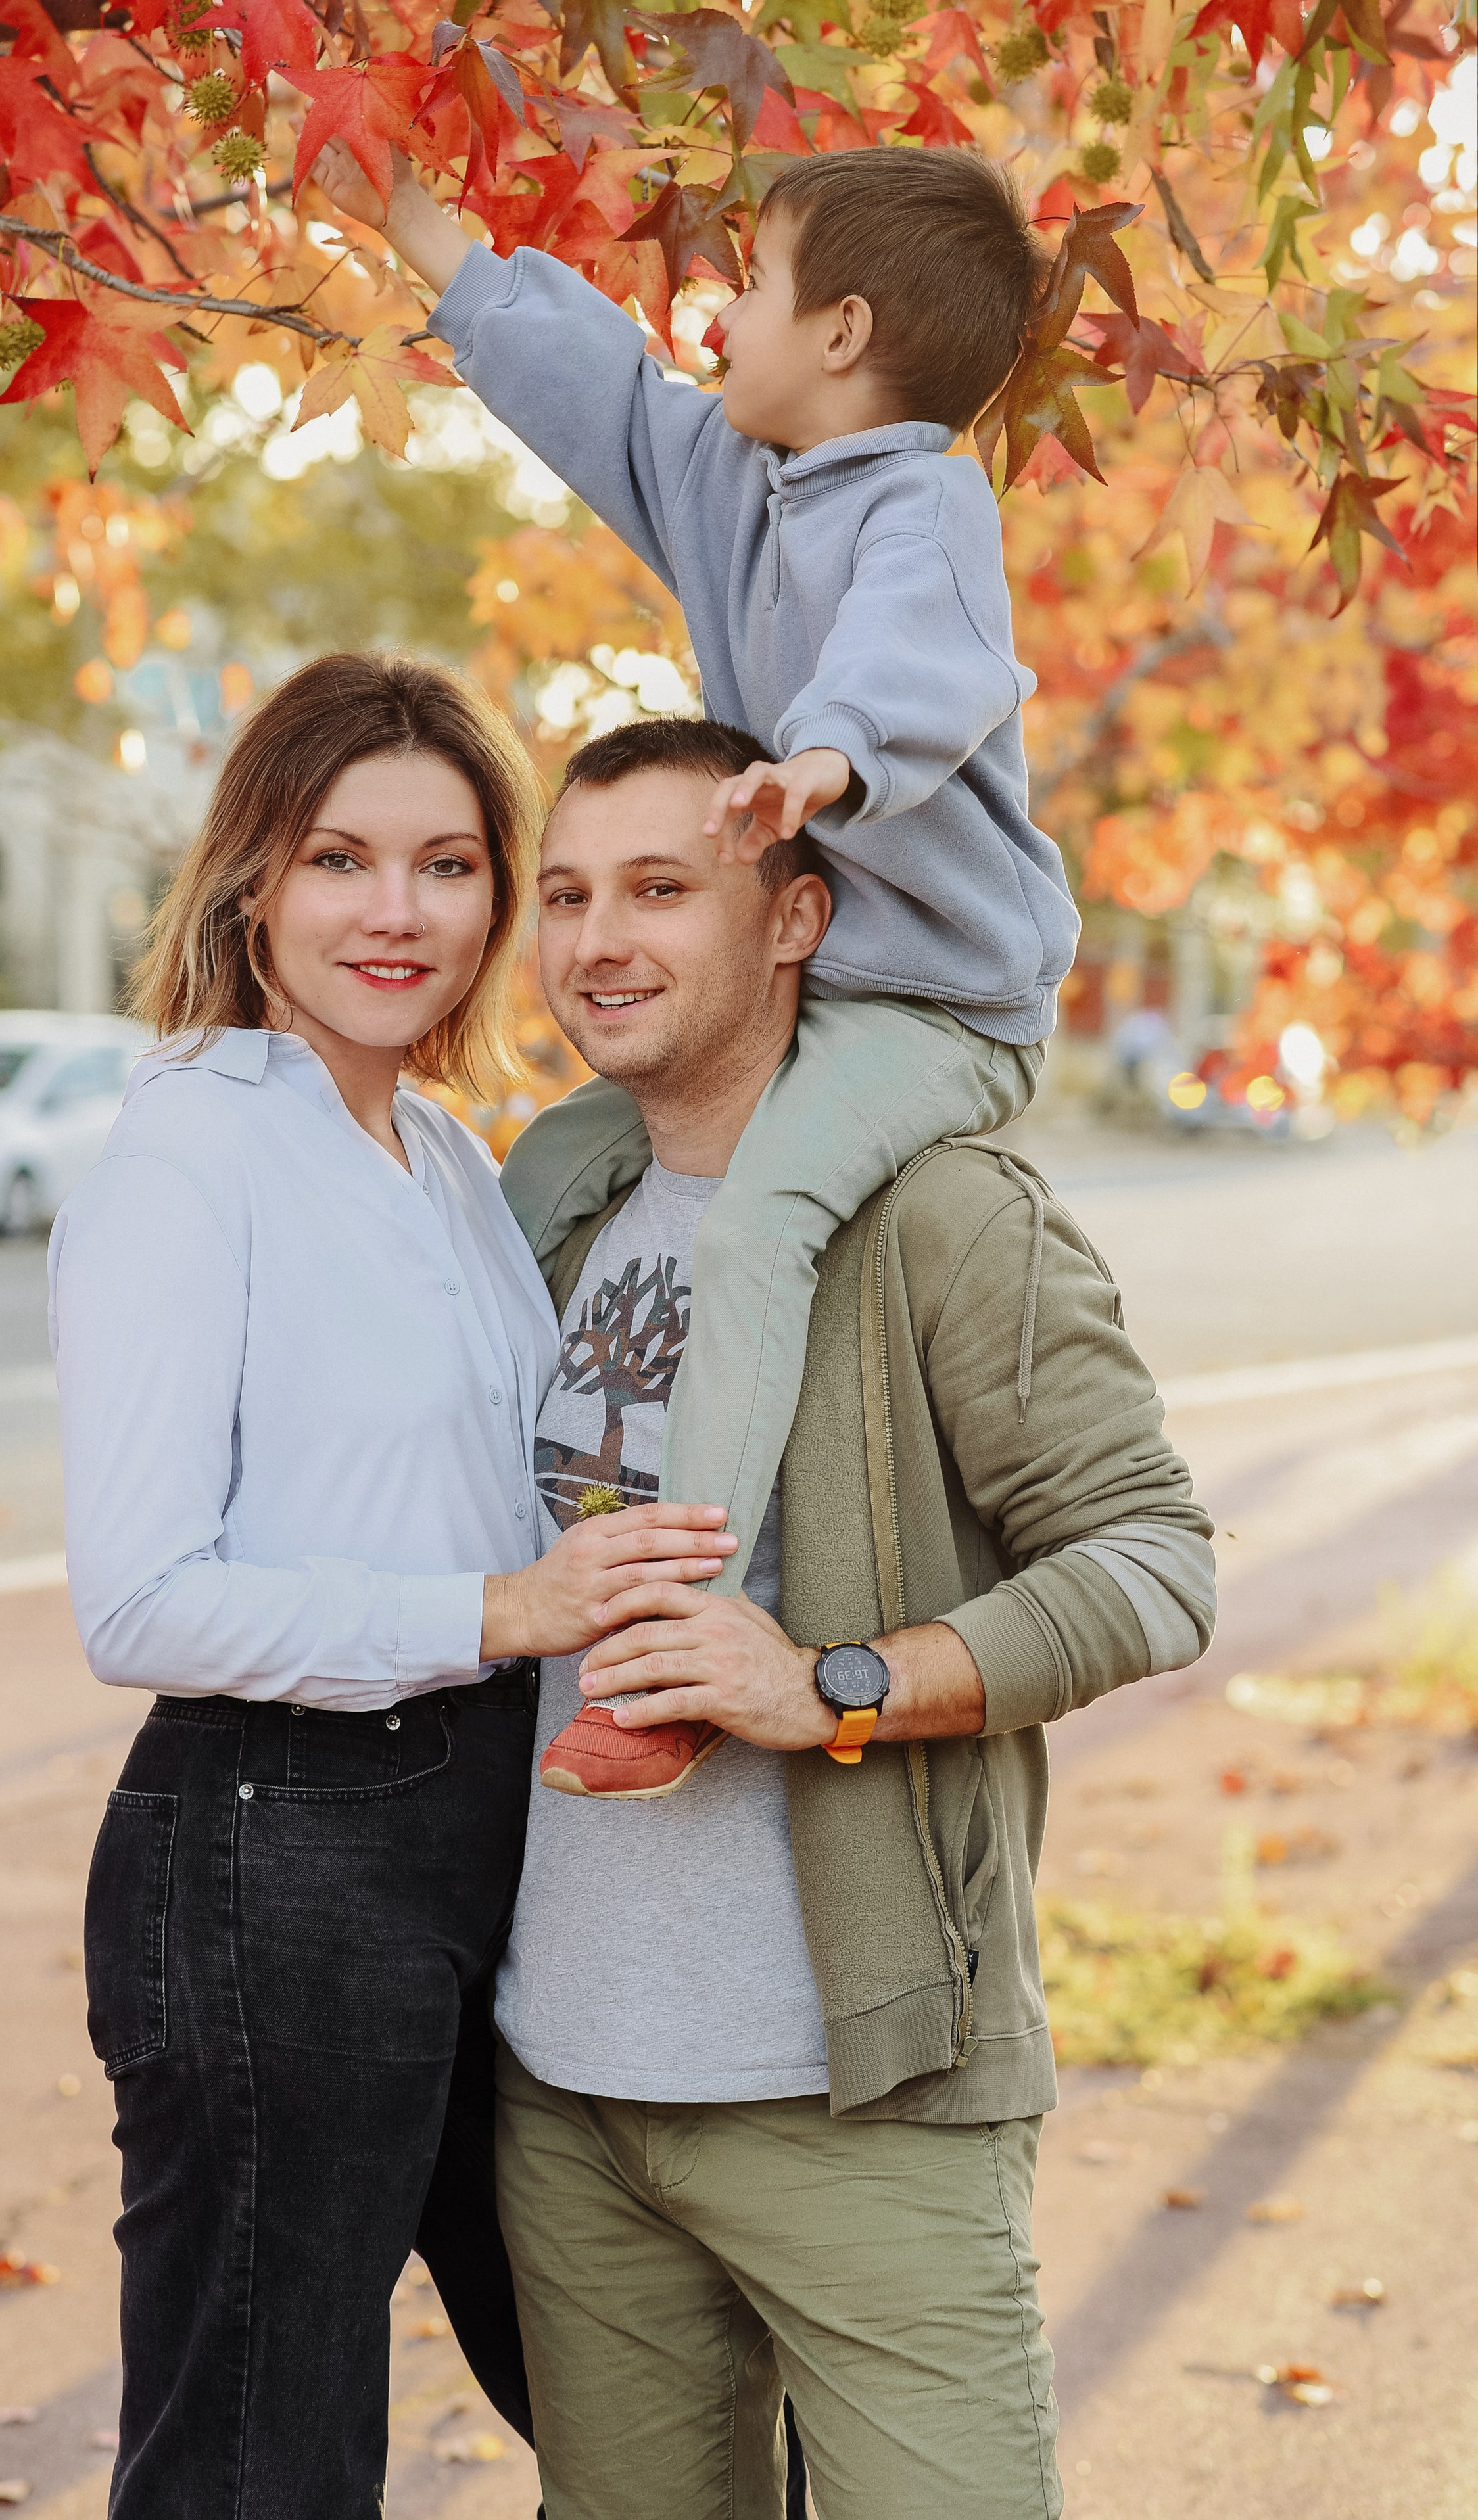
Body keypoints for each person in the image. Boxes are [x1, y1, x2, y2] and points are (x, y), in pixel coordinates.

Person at [490, 715, 1217, 2519]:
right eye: (568, 894)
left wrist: (828, 1682)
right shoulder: (563, 1209)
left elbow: (1153, 1559)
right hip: (566, 2089)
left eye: (664, 888)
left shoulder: (942, 1214)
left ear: (796, 917)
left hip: (857, 2091)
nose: (599, 940)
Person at [312, 138, 1081, 1796]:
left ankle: (667, 1660)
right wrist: (420, 225)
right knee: (545, 1169)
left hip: (931, 1004)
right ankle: (440, 1529)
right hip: (816, 978)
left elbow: (924, 659)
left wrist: (826, 766)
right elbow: (600, 390)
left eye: (759, 281)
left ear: (844, 331)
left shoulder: (923, 503)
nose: (715, 310)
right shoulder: (742, 481)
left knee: (753, 1235)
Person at [50, 655, 732, 2516]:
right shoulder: (186, 1157)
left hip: (482, 1836)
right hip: (272, 1846)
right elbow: (143, 1600)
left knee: (626, 2387)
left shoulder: (439, 1152)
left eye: (448, 865)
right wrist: (504, 1611)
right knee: (265, 2456)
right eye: (342, 857)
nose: (397, 911)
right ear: (253, 877)